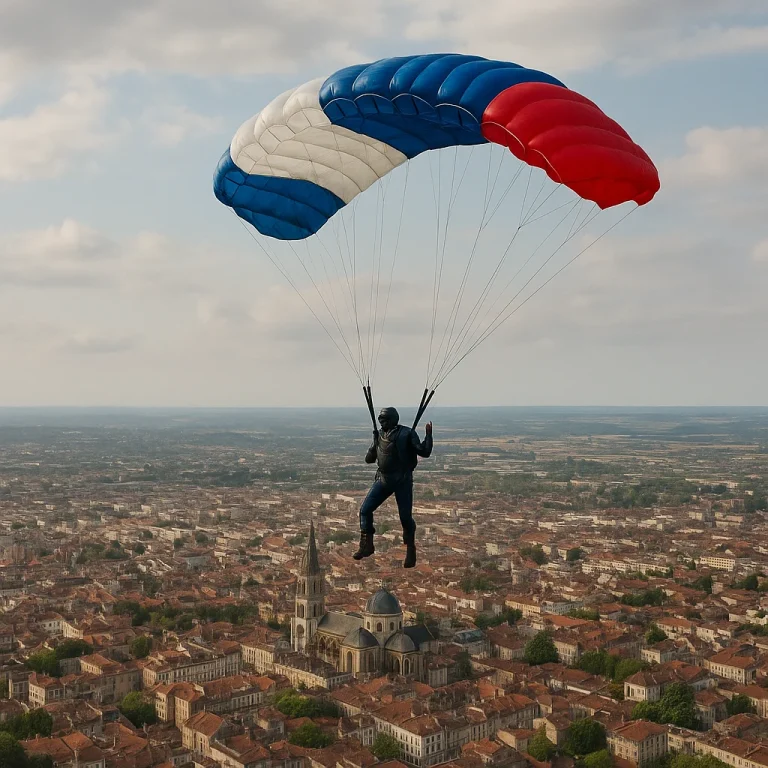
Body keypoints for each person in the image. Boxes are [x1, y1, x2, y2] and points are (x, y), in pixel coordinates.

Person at [353, 406, 433, 568]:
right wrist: (374, 443)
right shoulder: (381, 435)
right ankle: (367, 545)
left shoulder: (406, 433)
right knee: (365, 510)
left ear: (393, 419)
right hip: (384, 479)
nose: (381, 423)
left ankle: (410, 548)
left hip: (402, 480)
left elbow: (424, 452)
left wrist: (428, 435)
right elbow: (369, 459)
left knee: (405, 517)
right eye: (380, 420)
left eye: (384, 420)